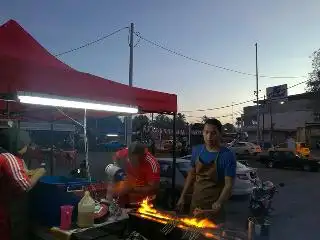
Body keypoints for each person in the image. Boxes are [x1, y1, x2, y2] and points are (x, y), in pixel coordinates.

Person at [176, 118, 236, 223]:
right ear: (203, 133)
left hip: (213, 208)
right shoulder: (196, 150)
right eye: (206, 132)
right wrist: (182, 196)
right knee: (192, 233)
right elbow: (191, 175)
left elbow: (228, 185)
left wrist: (219, 202)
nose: (209, 137)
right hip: (195, 204)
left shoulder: (227, 155)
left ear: (220, 134)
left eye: (213, 133)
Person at [0, 129, 46, 240]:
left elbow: (17, 173)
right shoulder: (8, 158)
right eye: (26, 145)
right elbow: (24, 186)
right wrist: (39, 173)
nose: (27, 148)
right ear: (17, 143)